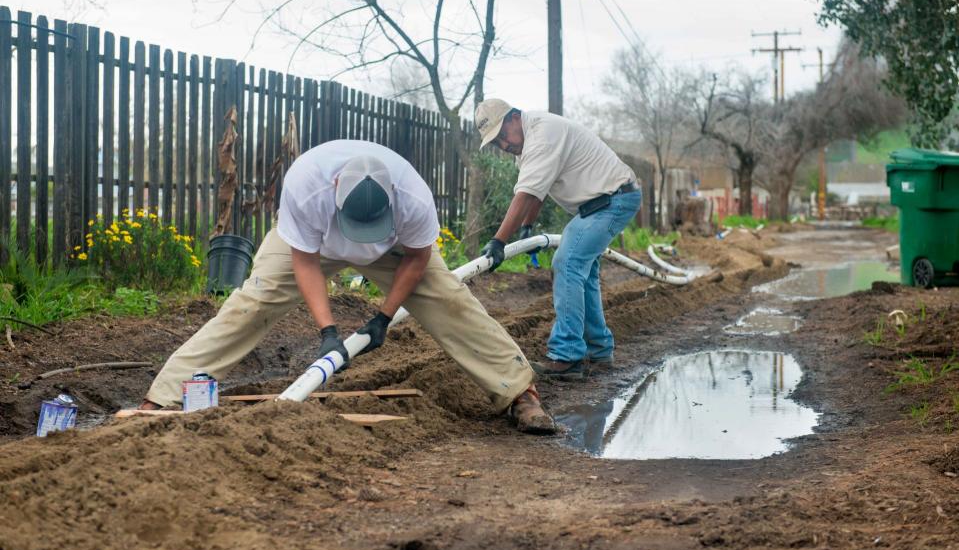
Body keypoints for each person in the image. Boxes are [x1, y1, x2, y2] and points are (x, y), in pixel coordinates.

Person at [139, 139, 556, 434]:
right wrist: (328, 332)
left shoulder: (414, 198)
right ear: (335, 189)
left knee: (450, 301)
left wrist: (383, 316)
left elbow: (417, 259)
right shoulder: (306, 185)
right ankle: (165, 396)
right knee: (251, 303)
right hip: (312, 242)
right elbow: (304, 263)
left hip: (394, 249)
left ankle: (519, 391)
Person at [475, 99, 641, 380]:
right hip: (604, 202)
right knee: (581, 273)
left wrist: (498, 241)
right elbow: (539, 187)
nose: (503, 145)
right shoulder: (530, 143)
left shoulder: (542, 135)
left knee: (567, 264)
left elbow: (526, 193)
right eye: (496, 143)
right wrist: (527, 226)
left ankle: (567, 356)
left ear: (515, 117)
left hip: (613, 199)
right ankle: (599, 351)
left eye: (503, 136)